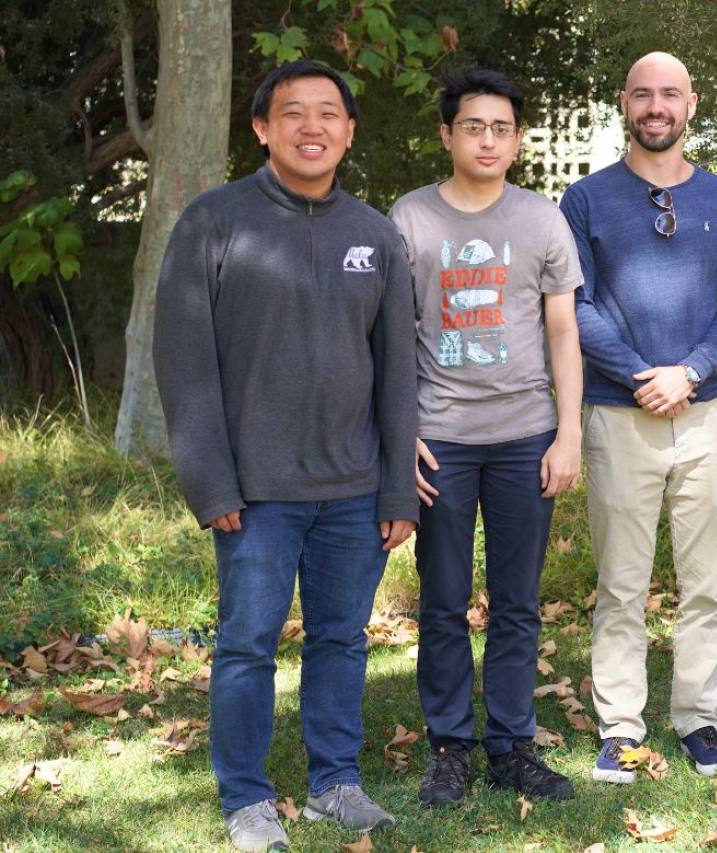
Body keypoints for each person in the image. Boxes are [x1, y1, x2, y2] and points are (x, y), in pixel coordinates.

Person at [153, 60, 417, 852]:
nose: (312, 126)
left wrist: (397, 487)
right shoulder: (213, 221)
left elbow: (397, 371)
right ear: (263, 128)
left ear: (348, 132)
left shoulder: (375, 234)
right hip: (256, 492)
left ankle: (336, 781)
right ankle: (246, 797)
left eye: (328, 113)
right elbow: (183, 361)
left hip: (353, 487)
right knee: (247, 644)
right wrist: (211, 480)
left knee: (341, 638)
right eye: (293, 113)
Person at [559, 52, 717, 783]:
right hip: (620, 414)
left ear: (690, 105)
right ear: (624, 104)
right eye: (643, 94)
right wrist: (644, 376)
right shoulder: (583, 201)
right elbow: (574, 306)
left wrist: (691, 371)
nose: (656, 106)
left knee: (706, 582)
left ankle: (697, 718)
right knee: (621, 582)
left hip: (709, 415)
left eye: (669, 94)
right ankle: (620, 727)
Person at [388, 68, 583, 807]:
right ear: (446, 134)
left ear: (518, 138)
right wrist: (400, 433)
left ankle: (510, 743)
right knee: (441, 599)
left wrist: (568, 434)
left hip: (524, 437)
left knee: (517, 600)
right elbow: (392, 340)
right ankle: (449, 746)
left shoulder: (542, 219)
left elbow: (562, 330)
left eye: (502, 127)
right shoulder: (408, 219)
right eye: (474, 126)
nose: (489, 139)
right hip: (440, 440)